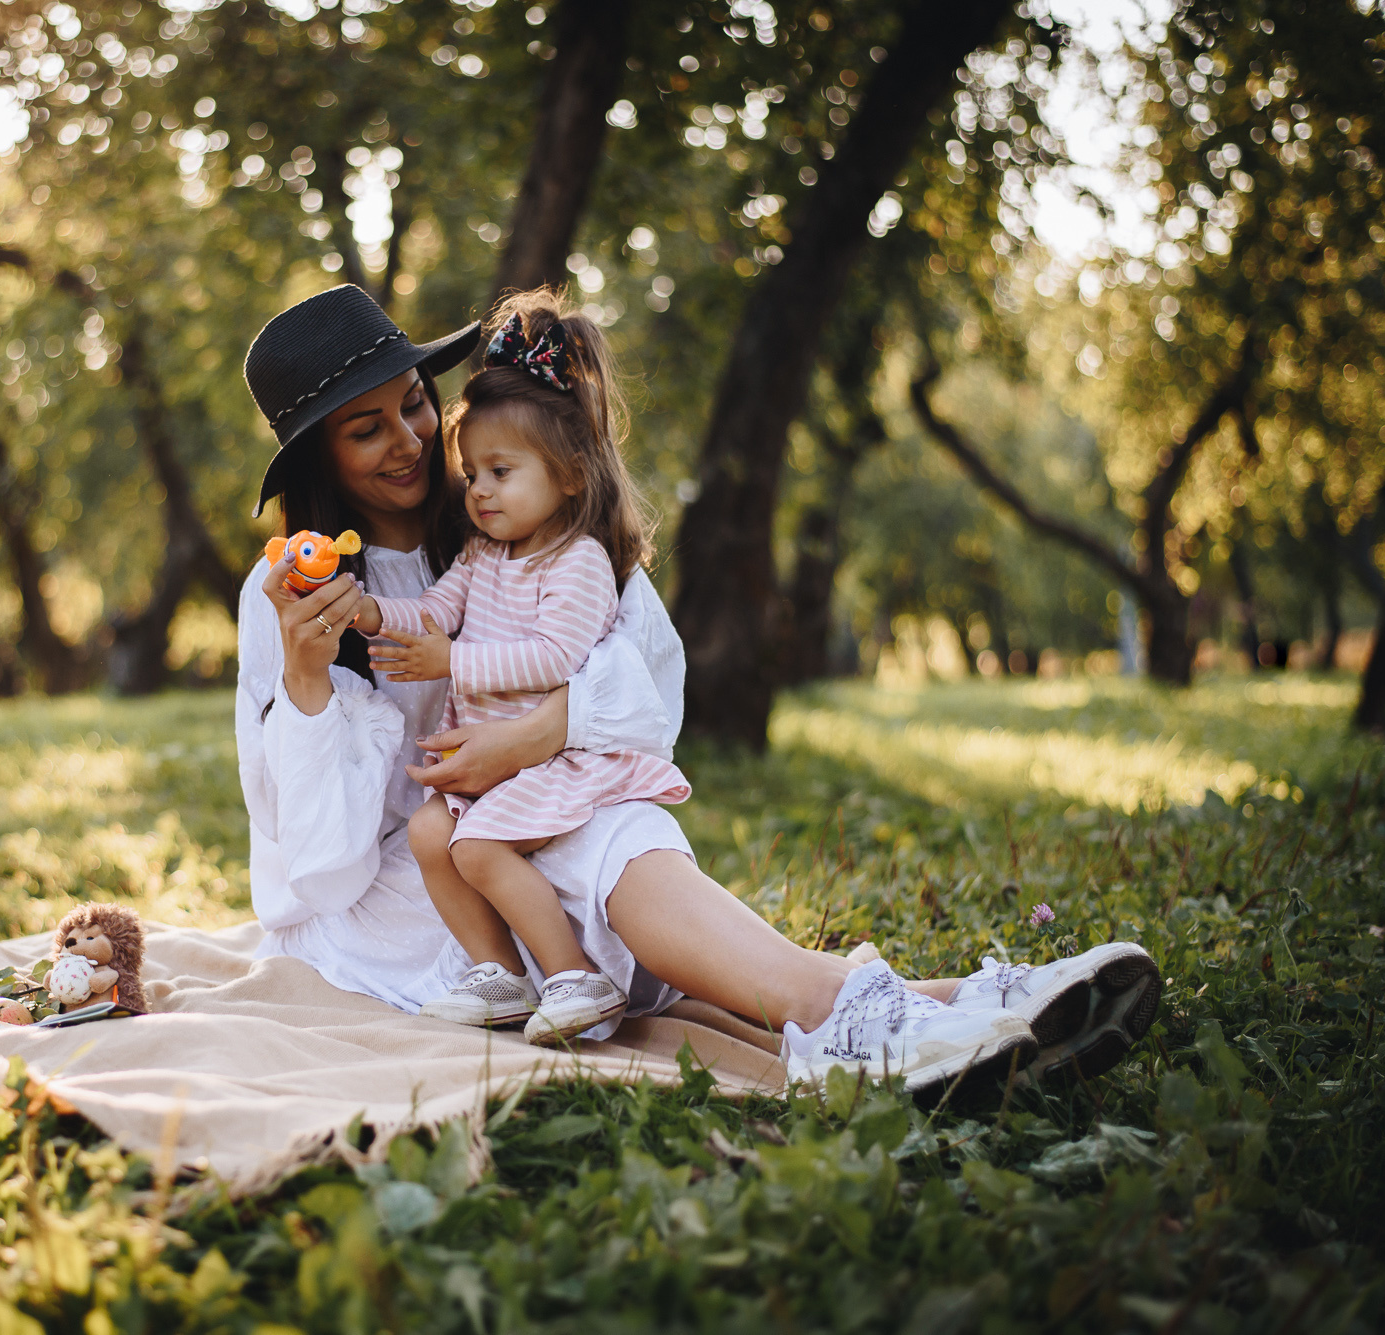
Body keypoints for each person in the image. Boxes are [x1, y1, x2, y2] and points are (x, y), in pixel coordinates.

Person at [234, 284, 1159, 1103]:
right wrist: (309, 683)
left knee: (613, 824)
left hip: (534, 807)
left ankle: (956, 1008)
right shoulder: (286, 597)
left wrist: (529, 739)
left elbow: (651, 698)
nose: (411, 441)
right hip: (414, 889)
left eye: (414, 406)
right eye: (369, 429)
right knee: (566, 847)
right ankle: (912, 1012)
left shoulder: (522, 521)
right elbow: (323, 869)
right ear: (322, 457)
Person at [350, 291, 691, 1046]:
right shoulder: (483, 555)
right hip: (493, 765)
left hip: (549, 763)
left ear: (569, 475)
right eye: (472, 472)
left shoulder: (578, 563)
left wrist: (452, 663)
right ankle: (496, 970)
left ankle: (576, 975)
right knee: (432, 836)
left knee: (475, 845)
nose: (478, 490)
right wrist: (374, 614)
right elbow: (434, 611)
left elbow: (554, 660)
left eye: (501, 471)